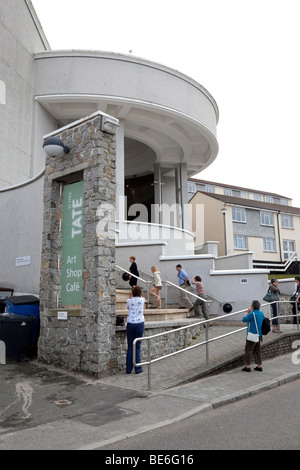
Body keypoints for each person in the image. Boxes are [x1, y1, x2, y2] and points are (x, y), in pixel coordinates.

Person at [126, 285, 145, 374]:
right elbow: (140, 296)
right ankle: (138, 368)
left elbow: (128, 307)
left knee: (130, 346)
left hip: (130, 323)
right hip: (140, 323)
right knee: (137, 346)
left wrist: (131, 294)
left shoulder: (129, 301)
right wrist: (136, 290)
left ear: (132, 293)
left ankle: (128, 369)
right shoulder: (142, 300)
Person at [242, 300, 264, 372]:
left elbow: (244, 319)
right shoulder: (261, 313)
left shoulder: (252, 314)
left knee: (248, 350)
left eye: (251, 305)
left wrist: (248, 312)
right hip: (259, 334)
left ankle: (248, 366)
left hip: (252, 334)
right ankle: (259, 365)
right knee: (258, 350)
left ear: (253, 306)